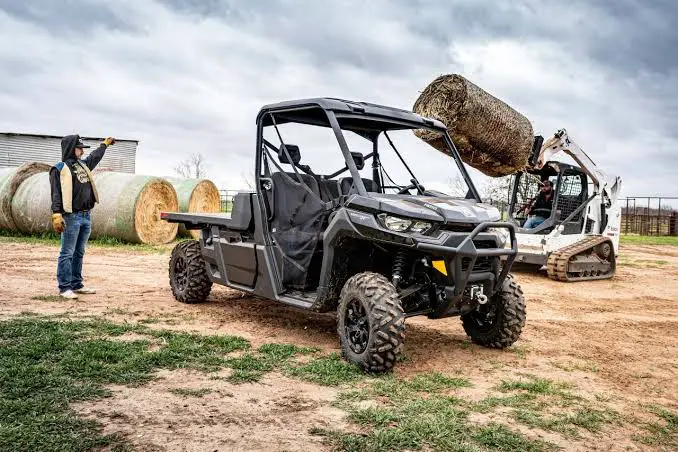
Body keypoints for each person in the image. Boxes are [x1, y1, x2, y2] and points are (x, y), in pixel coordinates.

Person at [49, 134, 115, 299]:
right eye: (80, 148)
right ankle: (64, 287)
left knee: (79, 252)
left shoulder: (83, 165)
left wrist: (104, 145)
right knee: (67, 252)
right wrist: (56, 213)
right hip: (71, 216)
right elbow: (56, 193)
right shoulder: (59, 168)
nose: (82, 151)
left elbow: (94, 157)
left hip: (86, 215)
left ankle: (76, 284)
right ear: (72, 149)